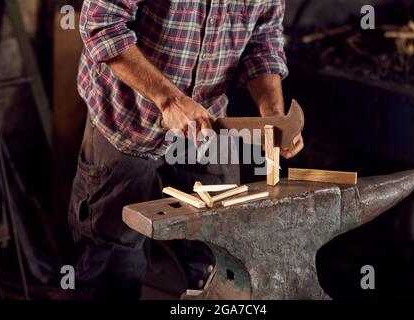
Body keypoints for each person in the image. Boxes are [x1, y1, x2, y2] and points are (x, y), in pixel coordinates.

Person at [69, 0, 304, 299]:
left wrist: (273, 116)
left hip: (208, 124)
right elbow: (101, 23)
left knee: (222, 250)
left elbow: (263, 41)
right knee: (114, 262)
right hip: (126, 117)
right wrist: (169, 100)